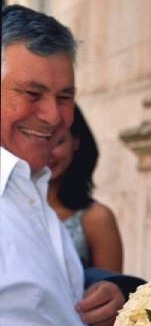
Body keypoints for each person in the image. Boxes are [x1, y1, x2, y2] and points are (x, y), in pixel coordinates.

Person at [0, 4, 138, 326]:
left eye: (65, 97)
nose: (52, 116)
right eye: (32, 93)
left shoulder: (30, 189)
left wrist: (115, 289)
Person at [47, 103, 123, 271]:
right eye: (41, 140)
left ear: (76, 141)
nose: (47, 152)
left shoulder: (96, 218)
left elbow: (111, 289)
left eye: (58, 141)